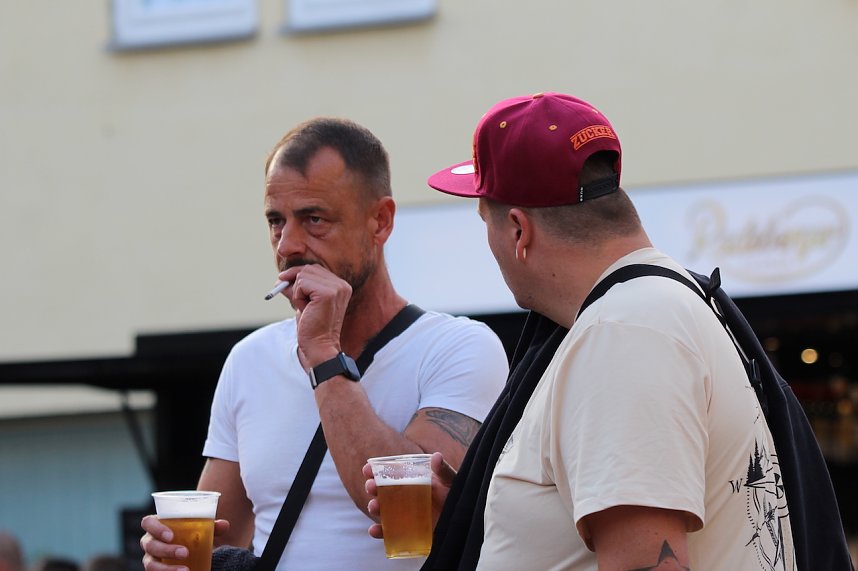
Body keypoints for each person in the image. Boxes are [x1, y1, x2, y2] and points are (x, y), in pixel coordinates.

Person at [367, 92, 798, 570]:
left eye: (483, 219)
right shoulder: (657, 307)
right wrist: (481, 514)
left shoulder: (623, 333)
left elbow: (648, 562)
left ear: (517, 231)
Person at [139, 117, 508, 571]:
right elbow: (222, 536)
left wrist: (323, 355)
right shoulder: (249, 360)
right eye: (276, 221)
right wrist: (171, 556)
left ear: (381, 221)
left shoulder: (458, 348)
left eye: (314, 219)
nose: (289, 244)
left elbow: (409, 514)